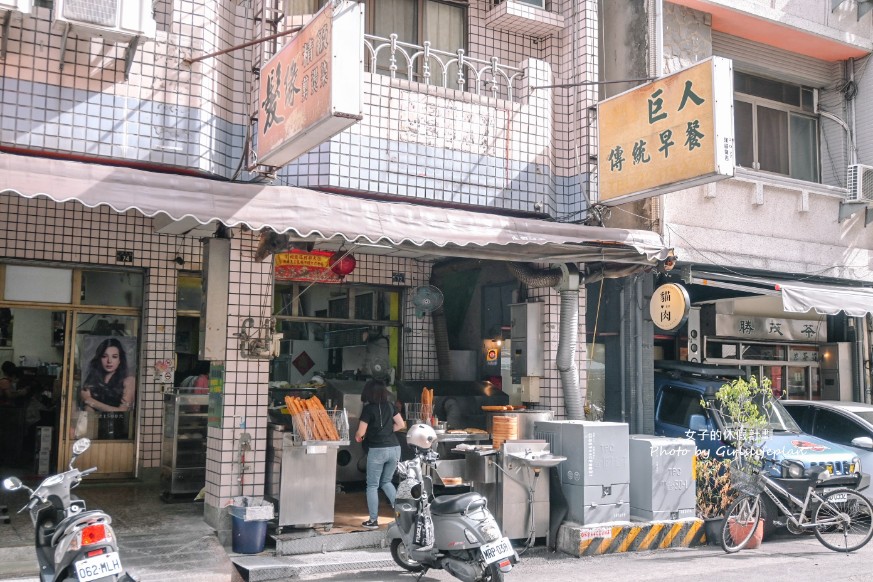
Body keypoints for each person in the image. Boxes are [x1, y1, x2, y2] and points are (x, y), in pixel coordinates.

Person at [355, 379, 404, 530]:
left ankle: (373, 521)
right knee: (386, 481)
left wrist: (359, 437)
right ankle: (402, 517)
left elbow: (360, 434)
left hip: (377, 450)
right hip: (395, 448)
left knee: (372, 485)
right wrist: (388, 431)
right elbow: (401, 424)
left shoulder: (368, 410)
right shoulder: (390, 406)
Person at [80, 338, 136, 439]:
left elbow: (122, 411)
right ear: (99, 358)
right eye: (104, 356)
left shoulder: (129, 380)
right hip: (93, 432)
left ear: (120, 360)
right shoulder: (93, 379)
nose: (109, 361)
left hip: (119, 431)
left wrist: (89, 400)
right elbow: (87, 409)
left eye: (114, 357)